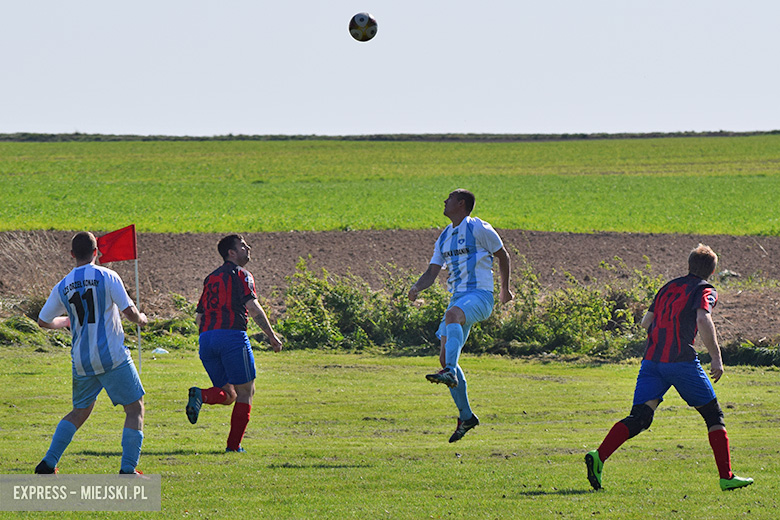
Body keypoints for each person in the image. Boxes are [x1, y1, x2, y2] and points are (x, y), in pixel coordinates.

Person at [585, 244, 754, 492]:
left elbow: (645, 322)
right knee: (713, 416)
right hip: (682, 362)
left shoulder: (667, 287)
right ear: (713, 270)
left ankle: (599, 456)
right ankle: (726, 476)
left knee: (640, 417)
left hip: (652, 361)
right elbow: (703, 317)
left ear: (688, 265)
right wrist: (716, 358)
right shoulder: (705, 289)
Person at [35, 231, 148, 474]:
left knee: (79, 411)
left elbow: (43, 321)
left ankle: (49, 462)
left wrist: (65, 322)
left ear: (72, 254)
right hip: (112, 358)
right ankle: (128, 470)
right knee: (135, 408)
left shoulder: (63, 284)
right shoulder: (107, 275)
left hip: (82, 361)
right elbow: (128, 310)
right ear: (96, 252)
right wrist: (141, 319)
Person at [408, 189, 513, 443]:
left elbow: (503, 255)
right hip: (458, 299)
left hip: (481, 296)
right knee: (444, 355)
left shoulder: (479, 228)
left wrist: (504, 289)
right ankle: (466, 416)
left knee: (452, 318)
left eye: (449, 198)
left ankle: (451, 371)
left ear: (461, 204)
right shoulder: (444, 236)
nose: (444, 202)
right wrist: (415, 288)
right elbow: (432, 272)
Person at [186, 234, 282, 452]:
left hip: (207, 339)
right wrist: (271, 335)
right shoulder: (242, 275)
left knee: (229, 394)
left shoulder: (210, 278)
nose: (248, 248)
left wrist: (209, 337)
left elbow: (199, 317)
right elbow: (254, 308)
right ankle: (233, 446)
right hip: (231, 337)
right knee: (246, 391)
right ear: (232, 252)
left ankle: (202, 395)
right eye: (243, 246)